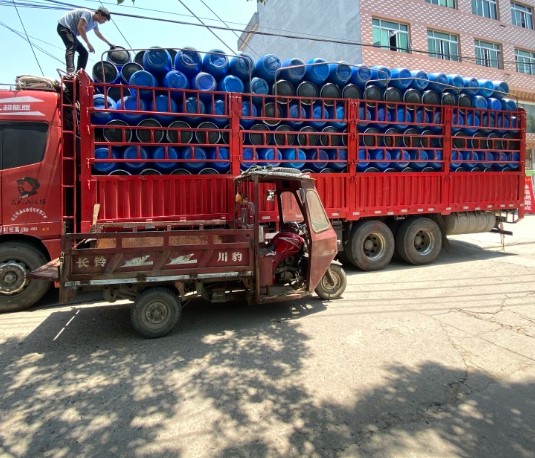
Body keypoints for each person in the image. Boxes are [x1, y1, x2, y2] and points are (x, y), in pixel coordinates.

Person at [57, 7, 114, 75]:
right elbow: (80, 27)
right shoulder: (88, 14)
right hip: (64, 27)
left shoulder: (95, 23)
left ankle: (79, 74)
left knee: (84, 53)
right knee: (72, 45)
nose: (104, 22)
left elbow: (98, 33)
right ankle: (70, 71)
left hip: (72, 33)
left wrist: (109, 43)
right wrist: (88, 43)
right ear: (99, 14)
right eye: (104, 19)